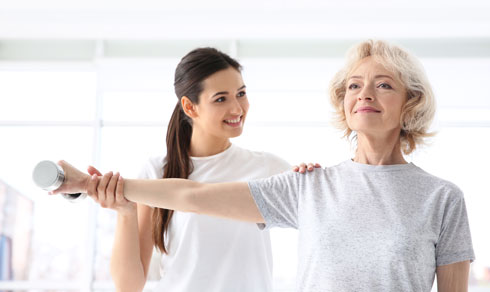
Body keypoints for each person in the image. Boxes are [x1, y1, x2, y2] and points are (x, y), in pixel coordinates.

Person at [56, 40, 475, 292]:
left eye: (384, 85)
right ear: (343, 103)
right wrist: (95, 185)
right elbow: (191, 194)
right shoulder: (309, 187)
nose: (365, 93)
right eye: (354, 85)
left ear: (410, 103)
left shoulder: (442, 198)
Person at [61, 47, 317, 292]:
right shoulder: (155, 172)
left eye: (241, 93)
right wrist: (125, 211)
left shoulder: (267, 167)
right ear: (189, 106)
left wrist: (309, 180)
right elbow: (129, 287)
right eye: (221, 99)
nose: (237, 109)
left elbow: (316, 214)